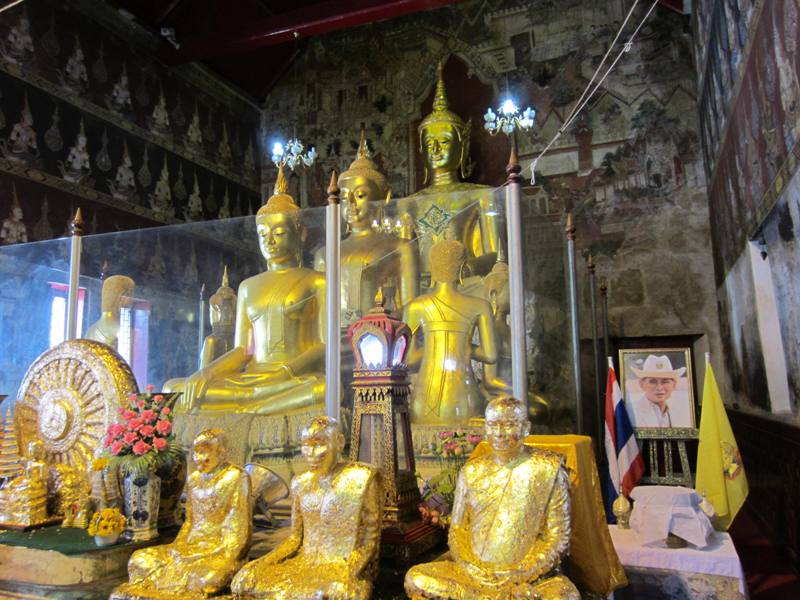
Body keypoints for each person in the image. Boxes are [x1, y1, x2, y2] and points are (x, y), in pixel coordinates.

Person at [404, 396, 579, 599]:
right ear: (485, 428)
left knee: (566, 595)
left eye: (508, 425)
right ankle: (503, 596)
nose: (499, 433)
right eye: (493, 425)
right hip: (476, 575)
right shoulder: (472, 471)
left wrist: (521, 573)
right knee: (415, 578)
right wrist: (471, 567)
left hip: (529, 578)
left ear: (525, 427)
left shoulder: (549, 470)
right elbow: (458, 531)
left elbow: (558, 539)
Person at [231, 416, 381, 599]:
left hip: (341, 566)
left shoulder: (361, 478)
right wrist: (261, 563)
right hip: (304, 563)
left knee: (334, 594)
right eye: (305, 445)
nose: (310, 453)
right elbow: (295, 538)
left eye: (318, 444)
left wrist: (349, 573)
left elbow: (369, 541)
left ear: (339, 442)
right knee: (245, 581)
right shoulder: (300, 483)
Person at [111, 429, 251, 599]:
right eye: (196, 453)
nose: (198, 458)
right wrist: (179, 548)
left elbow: (239, 533)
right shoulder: (194, 479)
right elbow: (189, 522)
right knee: (138, 560)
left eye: (204, 452)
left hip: (218, 551)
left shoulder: (236, 477)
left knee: (208, 579)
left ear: (221, 452)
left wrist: (210, 554)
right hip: (190, 546)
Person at [628, 354, 691, 428]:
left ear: (674, 385)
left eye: (665, 381)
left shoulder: (682, 413)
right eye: (653, 381)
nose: (659, 388)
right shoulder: (631, 412)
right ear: (642, 384)